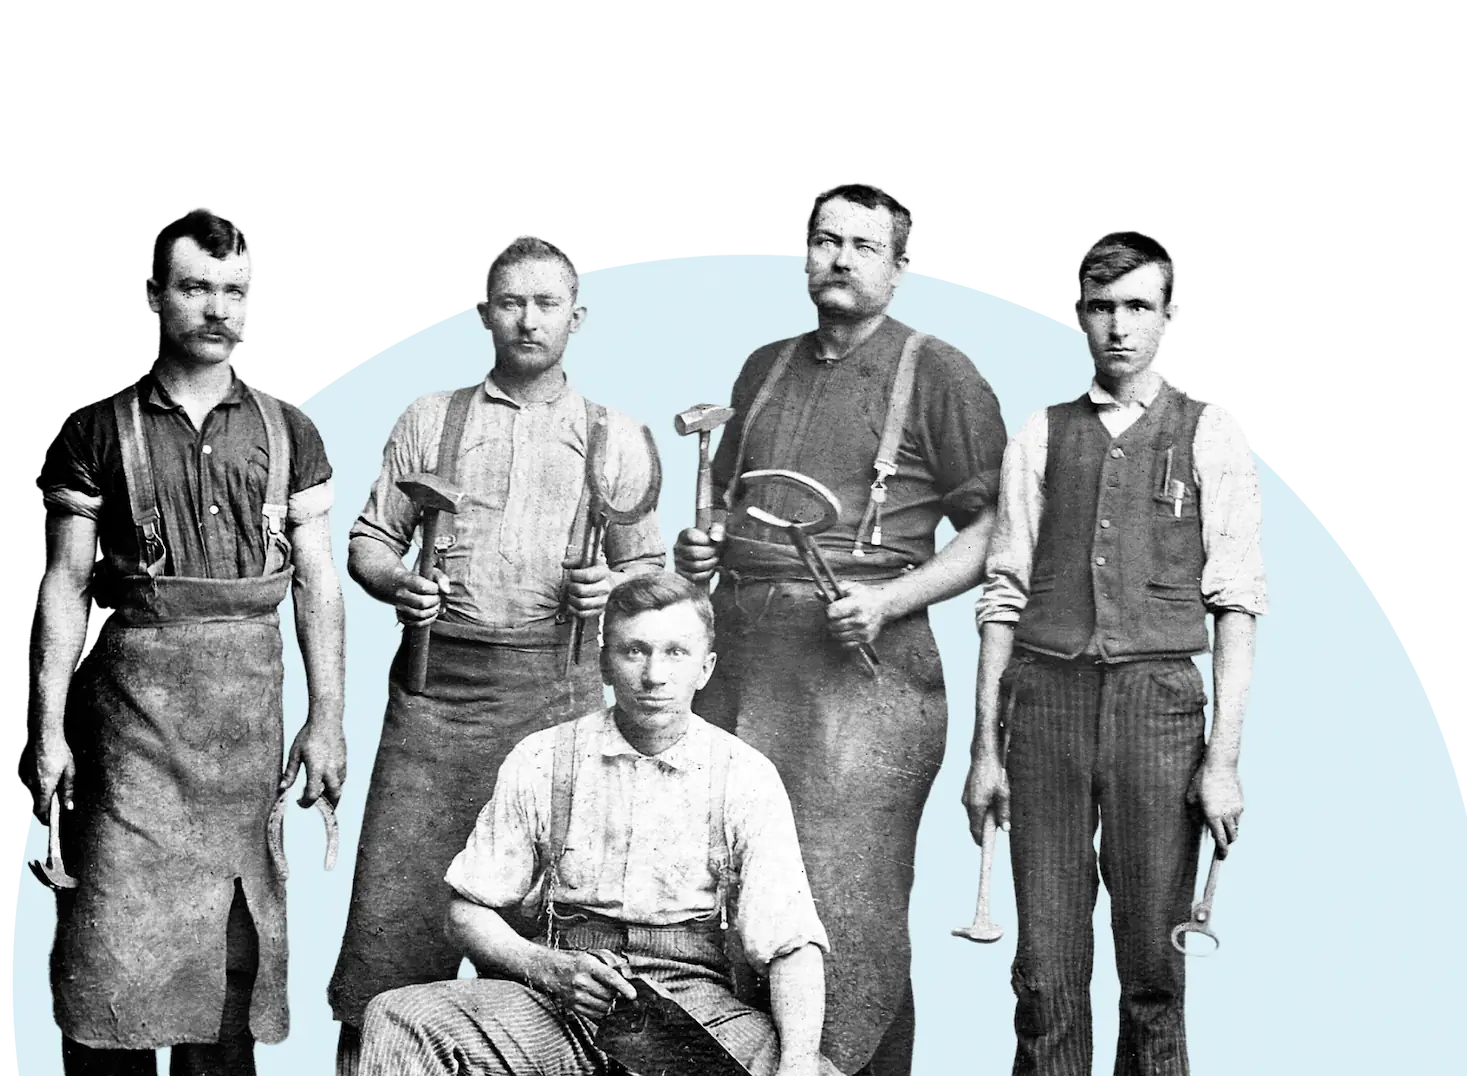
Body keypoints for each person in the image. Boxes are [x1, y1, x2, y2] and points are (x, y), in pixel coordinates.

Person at [673, 182, 1008, 1075]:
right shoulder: (763, 367)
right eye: (825, 241)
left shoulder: (939, 373)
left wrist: (893, 602)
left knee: (843, 906)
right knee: (734, 898)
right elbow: (725, 504)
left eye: (864, 245)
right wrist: (699, 548)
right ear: (804, 251)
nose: (840, 260)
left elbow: (994, 532)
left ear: (903, 264)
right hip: (744, 661)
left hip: (865, 669)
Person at [20, 206, 347, 1076]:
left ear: (252, 302)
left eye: (233, 291)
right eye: (194, 287)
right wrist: (44, 733)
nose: (216, 308)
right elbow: (63, 587)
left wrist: (329, 720)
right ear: (153, 297)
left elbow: (318, 582)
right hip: (127, 737)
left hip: (244, 743)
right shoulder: (93, 432)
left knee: (226, 989)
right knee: (110, 977)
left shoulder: (291, 433)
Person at [329, 235, 667, 1073]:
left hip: (558, 707)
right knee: (393, 939)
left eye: (546, 303)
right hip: (434, 702)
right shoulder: (429, 418)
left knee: (542, 954)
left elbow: (649, 567)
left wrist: (611, 592)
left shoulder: (611, 435)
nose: (528, 319)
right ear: (484, 310)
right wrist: (398, 584)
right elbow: (369, 542)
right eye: (511, 301)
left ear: (575, 317)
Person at [963, 229, 1267, 1076]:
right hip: (1045, 707)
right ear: (1078, 316)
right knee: (1045, 975)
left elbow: (1236, 606)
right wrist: (985, 752)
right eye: (1102, 308)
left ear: (1172, 316)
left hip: (1159, 712)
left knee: (1154, 973)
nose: (1120, 327)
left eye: (1138, 306)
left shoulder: (1212, 435)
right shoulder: (1041, 433)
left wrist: (1224, 762)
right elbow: (1003, 597)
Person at [358, 571, 842, 1076]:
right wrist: (546, 969)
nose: (654, 675)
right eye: (634, 651)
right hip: (562, 1000)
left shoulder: (744, 776)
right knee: (401, 1018)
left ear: (706, 667)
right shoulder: (544, 757)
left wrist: (799, 1065)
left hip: (696, 1010)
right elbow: (464, 912)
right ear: (605, 663)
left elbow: (792, 944)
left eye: (676, 653)